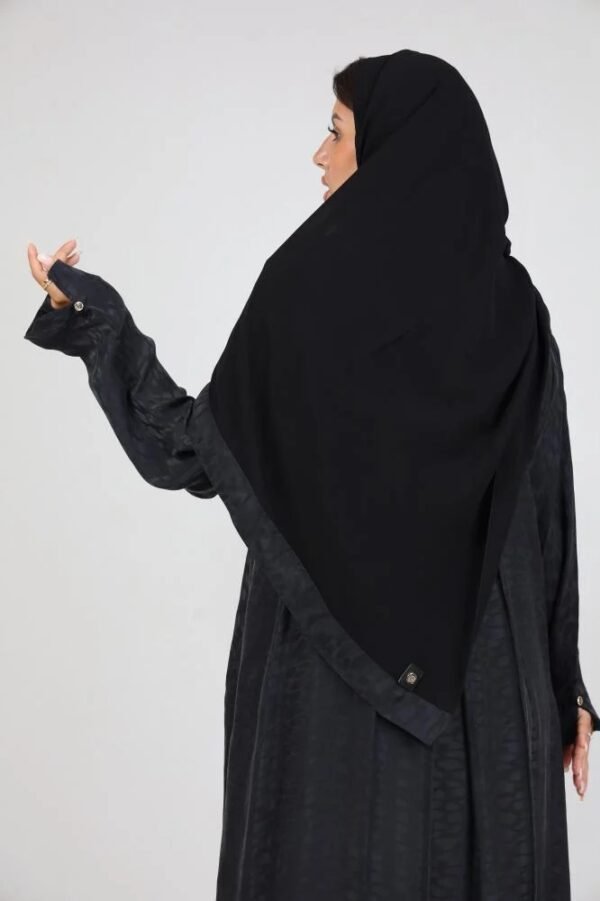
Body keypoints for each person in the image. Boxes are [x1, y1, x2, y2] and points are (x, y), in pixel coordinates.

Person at [24, 49, 598, 899]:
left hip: (334, 680)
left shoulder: (316, 291)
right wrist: (557, 675)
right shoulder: (510, 307)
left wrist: (100, 329)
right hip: (485, 689)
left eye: (336, 132)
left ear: (396, 149)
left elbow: (189, 450)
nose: (318, 156)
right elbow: (548, 505)